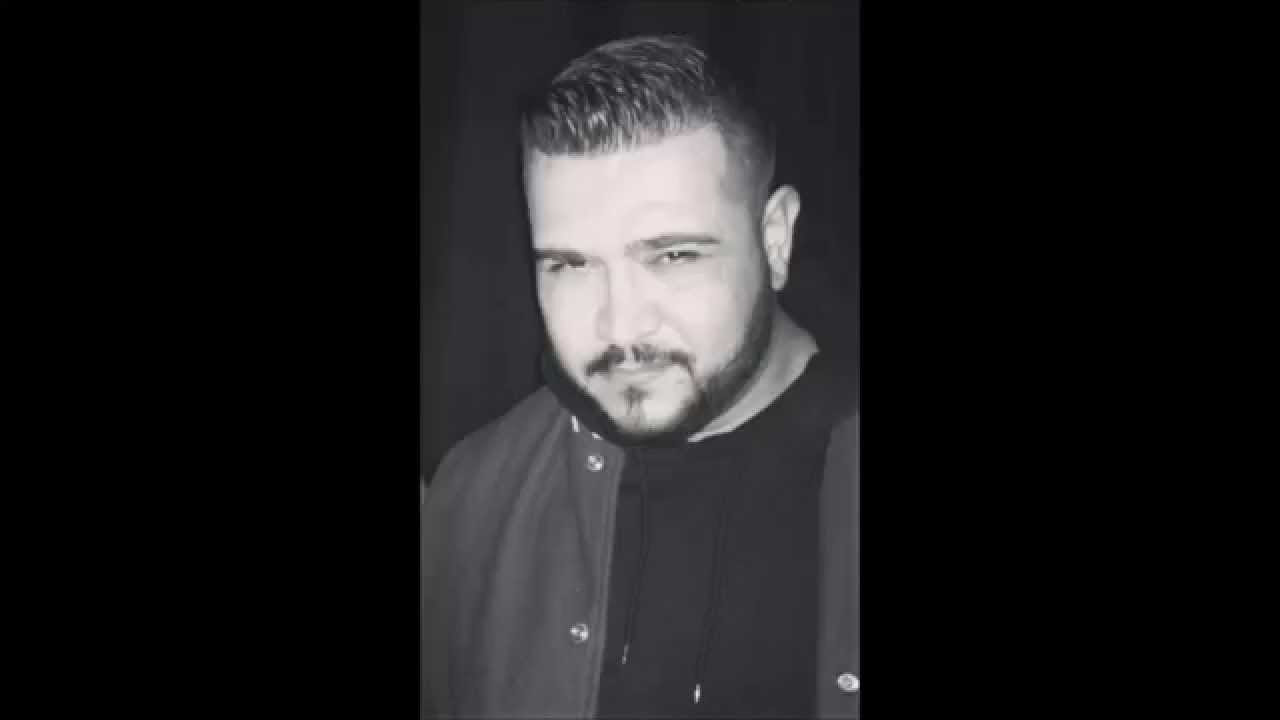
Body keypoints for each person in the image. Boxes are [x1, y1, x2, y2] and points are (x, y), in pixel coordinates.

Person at [422, 34, 859, 719]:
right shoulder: (472, 496)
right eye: (570, 265)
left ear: (775, 238)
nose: (619, 325)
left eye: (673, 256)